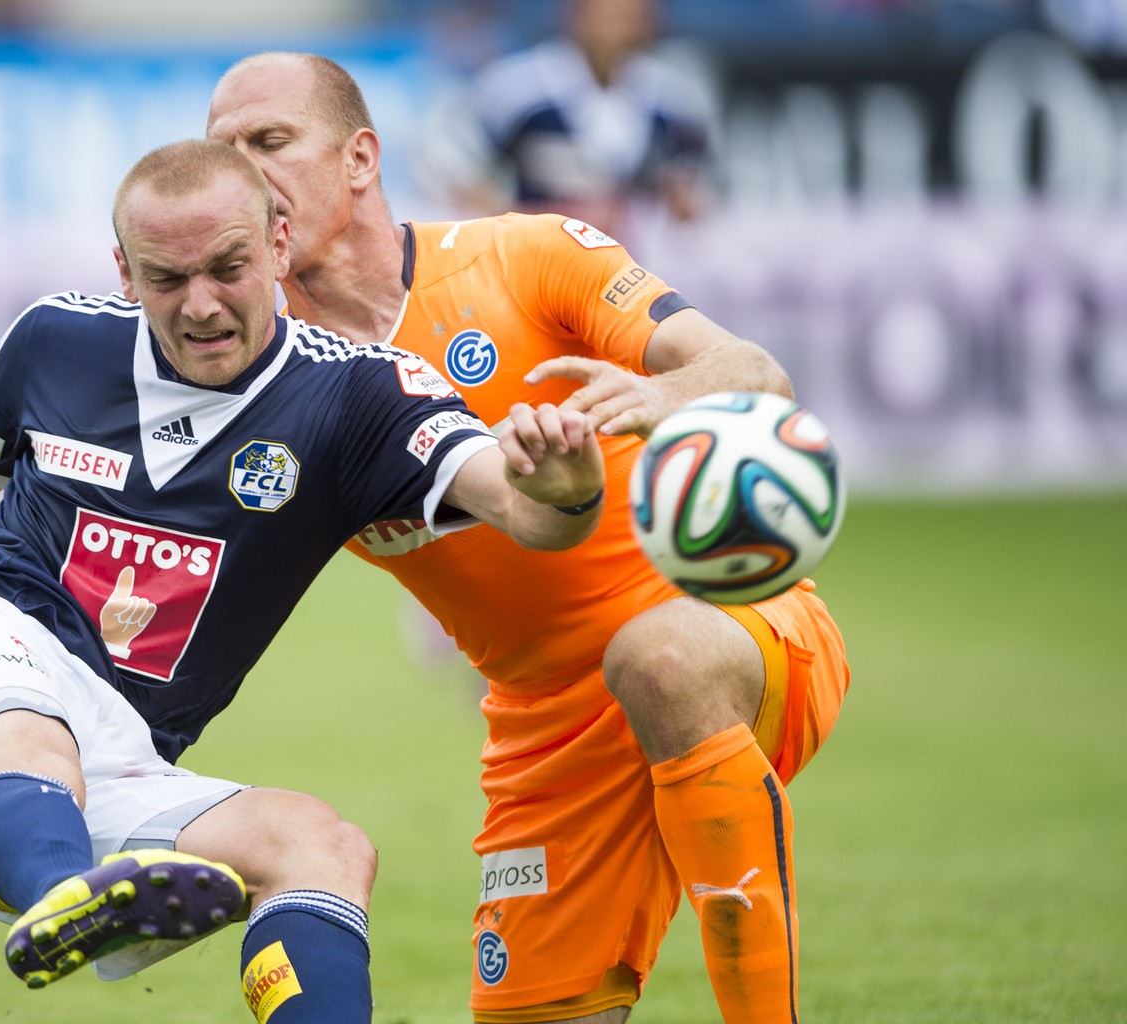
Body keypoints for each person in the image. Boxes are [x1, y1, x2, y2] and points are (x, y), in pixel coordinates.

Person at [0, 138, 607, 1023]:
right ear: (123, 272)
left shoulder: (356, 394)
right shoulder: (57, 342)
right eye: (167, 277)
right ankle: (71, 893)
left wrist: (562, 488)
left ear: (279, 245)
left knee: (321, 849)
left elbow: (525, 511)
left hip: (106, 762)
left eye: (228, 268)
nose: (200, 304)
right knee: (33, 736)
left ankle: (77, 888)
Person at [202, 53, 847, 1024]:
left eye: (270, 142)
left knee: (658, 656)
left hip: (723, 630)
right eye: (222, 155)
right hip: (546, 732)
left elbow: (756, 373)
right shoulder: (263, 395)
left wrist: (662, 394)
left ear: (360, 159)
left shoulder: (525, 257)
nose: (242, 175)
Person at [428, 0, 713, 232]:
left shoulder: (671, 100)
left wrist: (681, 200)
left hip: (632, 276)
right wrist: (515, 218)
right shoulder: (519, 88)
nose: (618, 22)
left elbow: (693, 184)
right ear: (575, 12)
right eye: (607, 12)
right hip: (537, 269)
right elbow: (448, 162)